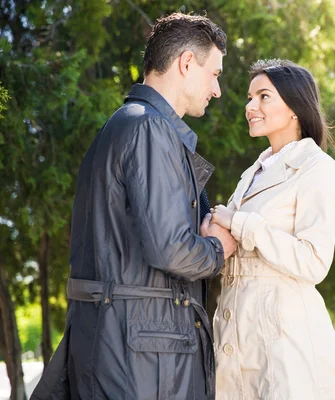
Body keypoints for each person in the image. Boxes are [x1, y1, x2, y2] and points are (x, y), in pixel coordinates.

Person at [31, 13, 236, 400]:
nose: (217, 89)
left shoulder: (122, 124)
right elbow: (170, 248)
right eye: (215, 73)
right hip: (144, 360)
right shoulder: (150, 128)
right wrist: (218, 248)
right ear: (186, 63)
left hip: (123, 349)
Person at [209, 59, 335, 399]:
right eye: (249, 97)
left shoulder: (317, 168)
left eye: (263, 96)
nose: (250, 106)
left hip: (285, 341)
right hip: (236, 337)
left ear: (295, 108)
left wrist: (241, 223)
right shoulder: (252, 173)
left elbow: (314, 262)